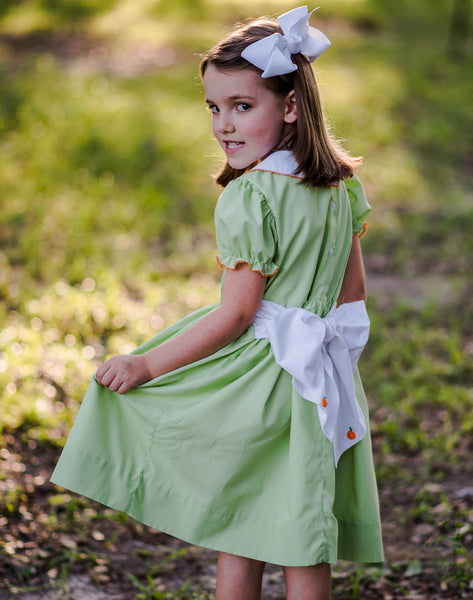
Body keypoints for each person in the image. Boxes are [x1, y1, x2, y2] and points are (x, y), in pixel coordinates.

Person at [51, 6, 383, 599]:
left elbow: (235, 315)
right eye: (213, 107)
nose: (222, 126)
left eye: (241, 106)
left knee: (243, 517)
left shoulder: (251, 197)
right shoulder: (340, 189)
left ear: (290, 107)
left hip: (261, 381)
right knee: (300, 526)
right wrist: (337, 361)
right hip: (322, 376)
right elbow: (352, 295)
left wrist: (147, 365)